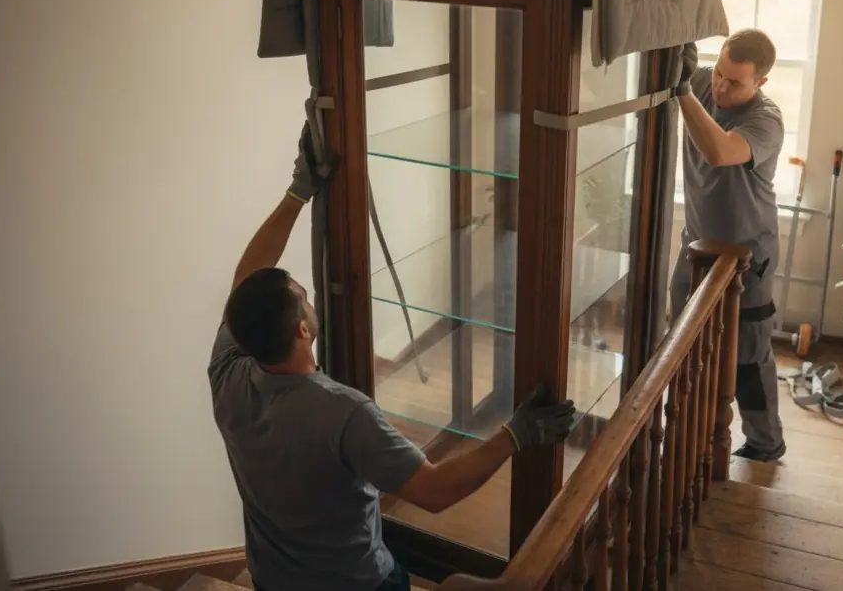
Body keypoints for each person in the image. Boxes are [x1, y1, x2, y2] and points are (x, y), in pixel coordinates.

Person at [208, 128, 578, 591]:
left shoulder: (228, 376)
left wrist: (298, 192)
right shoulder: (342, 413)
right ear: (303, 329)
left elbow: (248, 280)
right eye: (303, 297)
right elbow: (436, 492)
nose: (307, 298)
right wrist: (516, 434)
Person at [668, 28, 788, 463]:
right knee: (681, 341)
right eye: (718, 71)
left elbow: (720, 151)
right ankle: (690, 428)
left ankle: (764, 442)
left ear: (760, 83)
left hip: (747, 258)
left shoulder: (765, 121)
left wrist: (683, 92)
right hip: (696, 245)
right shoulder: (701, 82)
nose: (719, 85)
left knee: (748, 360)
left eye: (734, 81)